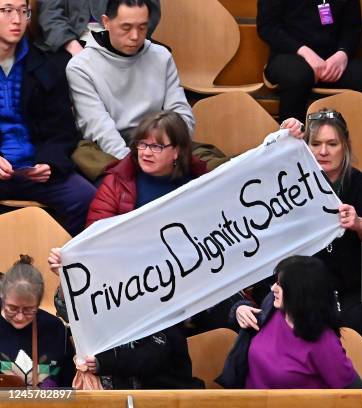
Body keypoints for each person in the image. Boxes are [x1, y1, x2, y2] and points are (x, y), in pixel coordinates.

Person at [48, 111, 207, 389]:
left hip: (182, 285)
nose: (145, 152)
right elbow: (93, 244)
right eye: (141, 144)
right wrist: (68, 264)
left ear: (177, 151)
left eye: (156, 146)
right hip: (126, 284)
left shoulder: (199, 185)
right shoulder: (116, 181)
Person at [280, 110, 362, 343]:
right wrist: (282, 140)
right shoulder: (291, 182)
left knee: (358, 322)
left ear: (345, 145)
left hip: (349, 287)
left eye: (332, 144)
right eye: (315, 144)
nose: (323, 152)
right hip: (302, 285)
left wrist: (359, 223)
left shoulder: (361, 183)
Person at [65, 0, 194, 180]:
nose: (135, 36)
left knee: (214, 167)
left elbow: (181, 113)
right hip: (115, 149)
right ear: (106, 22)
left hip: (163, 143)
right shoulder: (81, 67)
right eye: (126, 28)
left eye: (142, 27)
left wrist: (167, 151)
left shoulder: (161, 56)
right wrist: (139, 164)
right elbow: (100, 128)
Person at [0, 0, 96, 236]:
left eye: (24, 11)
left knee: (88, 199)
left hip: (36, 169)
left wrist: (49, 163)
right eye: (7, 10)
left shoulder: (46, 64)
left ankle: (56, 263)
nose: (17, 19)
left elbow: (63, 129)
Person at [218, 255, 362, 389]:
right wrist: (239, 308)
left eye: (280, 285)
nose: (273, 288)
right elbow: (251, 324)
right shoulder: (272, 307)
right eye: (276, 282)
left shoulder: (323, 341)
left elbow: (356, 392)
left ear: (300, 293)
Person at [257, 0, 362, 123]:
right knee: (298, 76)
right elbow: (267, 27)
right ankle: (291, 145)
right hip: (290, 54)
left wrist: (342, 54)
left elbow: (352, 28)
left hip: (333, 60)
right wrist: (306, 53)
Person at [0, 255, 74, 388]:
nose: (20, 317)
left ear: (38, 303)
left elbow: (69, 387)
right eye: (12, 308)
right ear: (3, 297)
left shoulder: (55, 329)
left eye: (29, 309)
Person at [36, 0, 161, 56]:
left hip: (121, 34)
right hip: (72, 38)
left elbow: (151, 10)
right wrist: (71, 45)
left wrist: (130, 35)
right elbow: (50, 15)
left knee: (159, 56)